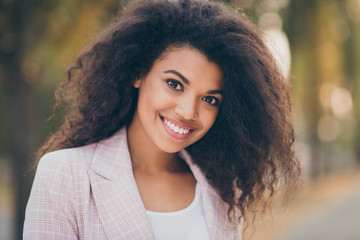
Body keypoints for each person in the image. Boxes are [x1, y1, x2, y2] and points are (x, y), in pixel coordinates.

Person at [23, 0, 300, 239]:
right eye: (175, 84)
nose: (188, 111)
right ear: (137, 73)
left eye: (210, 99)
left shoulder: (222, 191)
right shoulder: (65, 175)